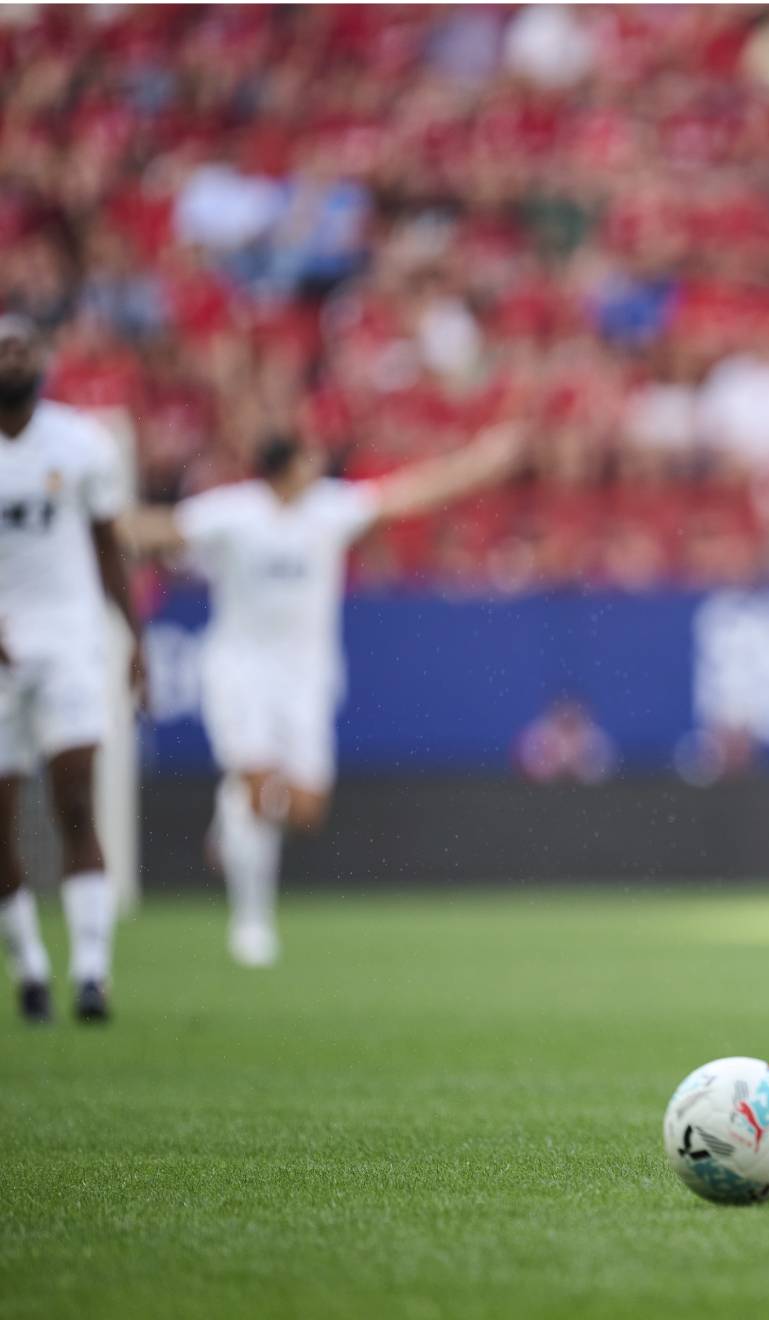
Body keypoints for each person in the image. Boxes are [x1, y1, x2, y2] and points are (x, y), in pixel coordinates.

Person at [123, 424, 523, 965]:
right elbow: (162, 530)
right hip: (241, 670)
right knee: (260, 789)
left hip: (307, 674)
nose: (318, 466)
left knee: (305, 808)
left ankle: (232, 812)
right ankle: (252, 923)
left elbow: (410, 494)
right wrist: (85, 517)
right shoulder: (234, 512)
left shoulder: (330, 509)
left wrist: (482, 460)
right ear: (285, 469)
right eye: (309, 459)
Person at [0, 314, 145, 1024]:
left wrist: (136, 638)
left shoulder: (81, 443)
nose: (14, 357)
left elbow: (108, 545)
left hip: (68, 637)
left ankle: (90, 972)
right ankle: (29, 965)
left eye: (24, 347)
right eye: (4, 349)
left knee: (77, 798)